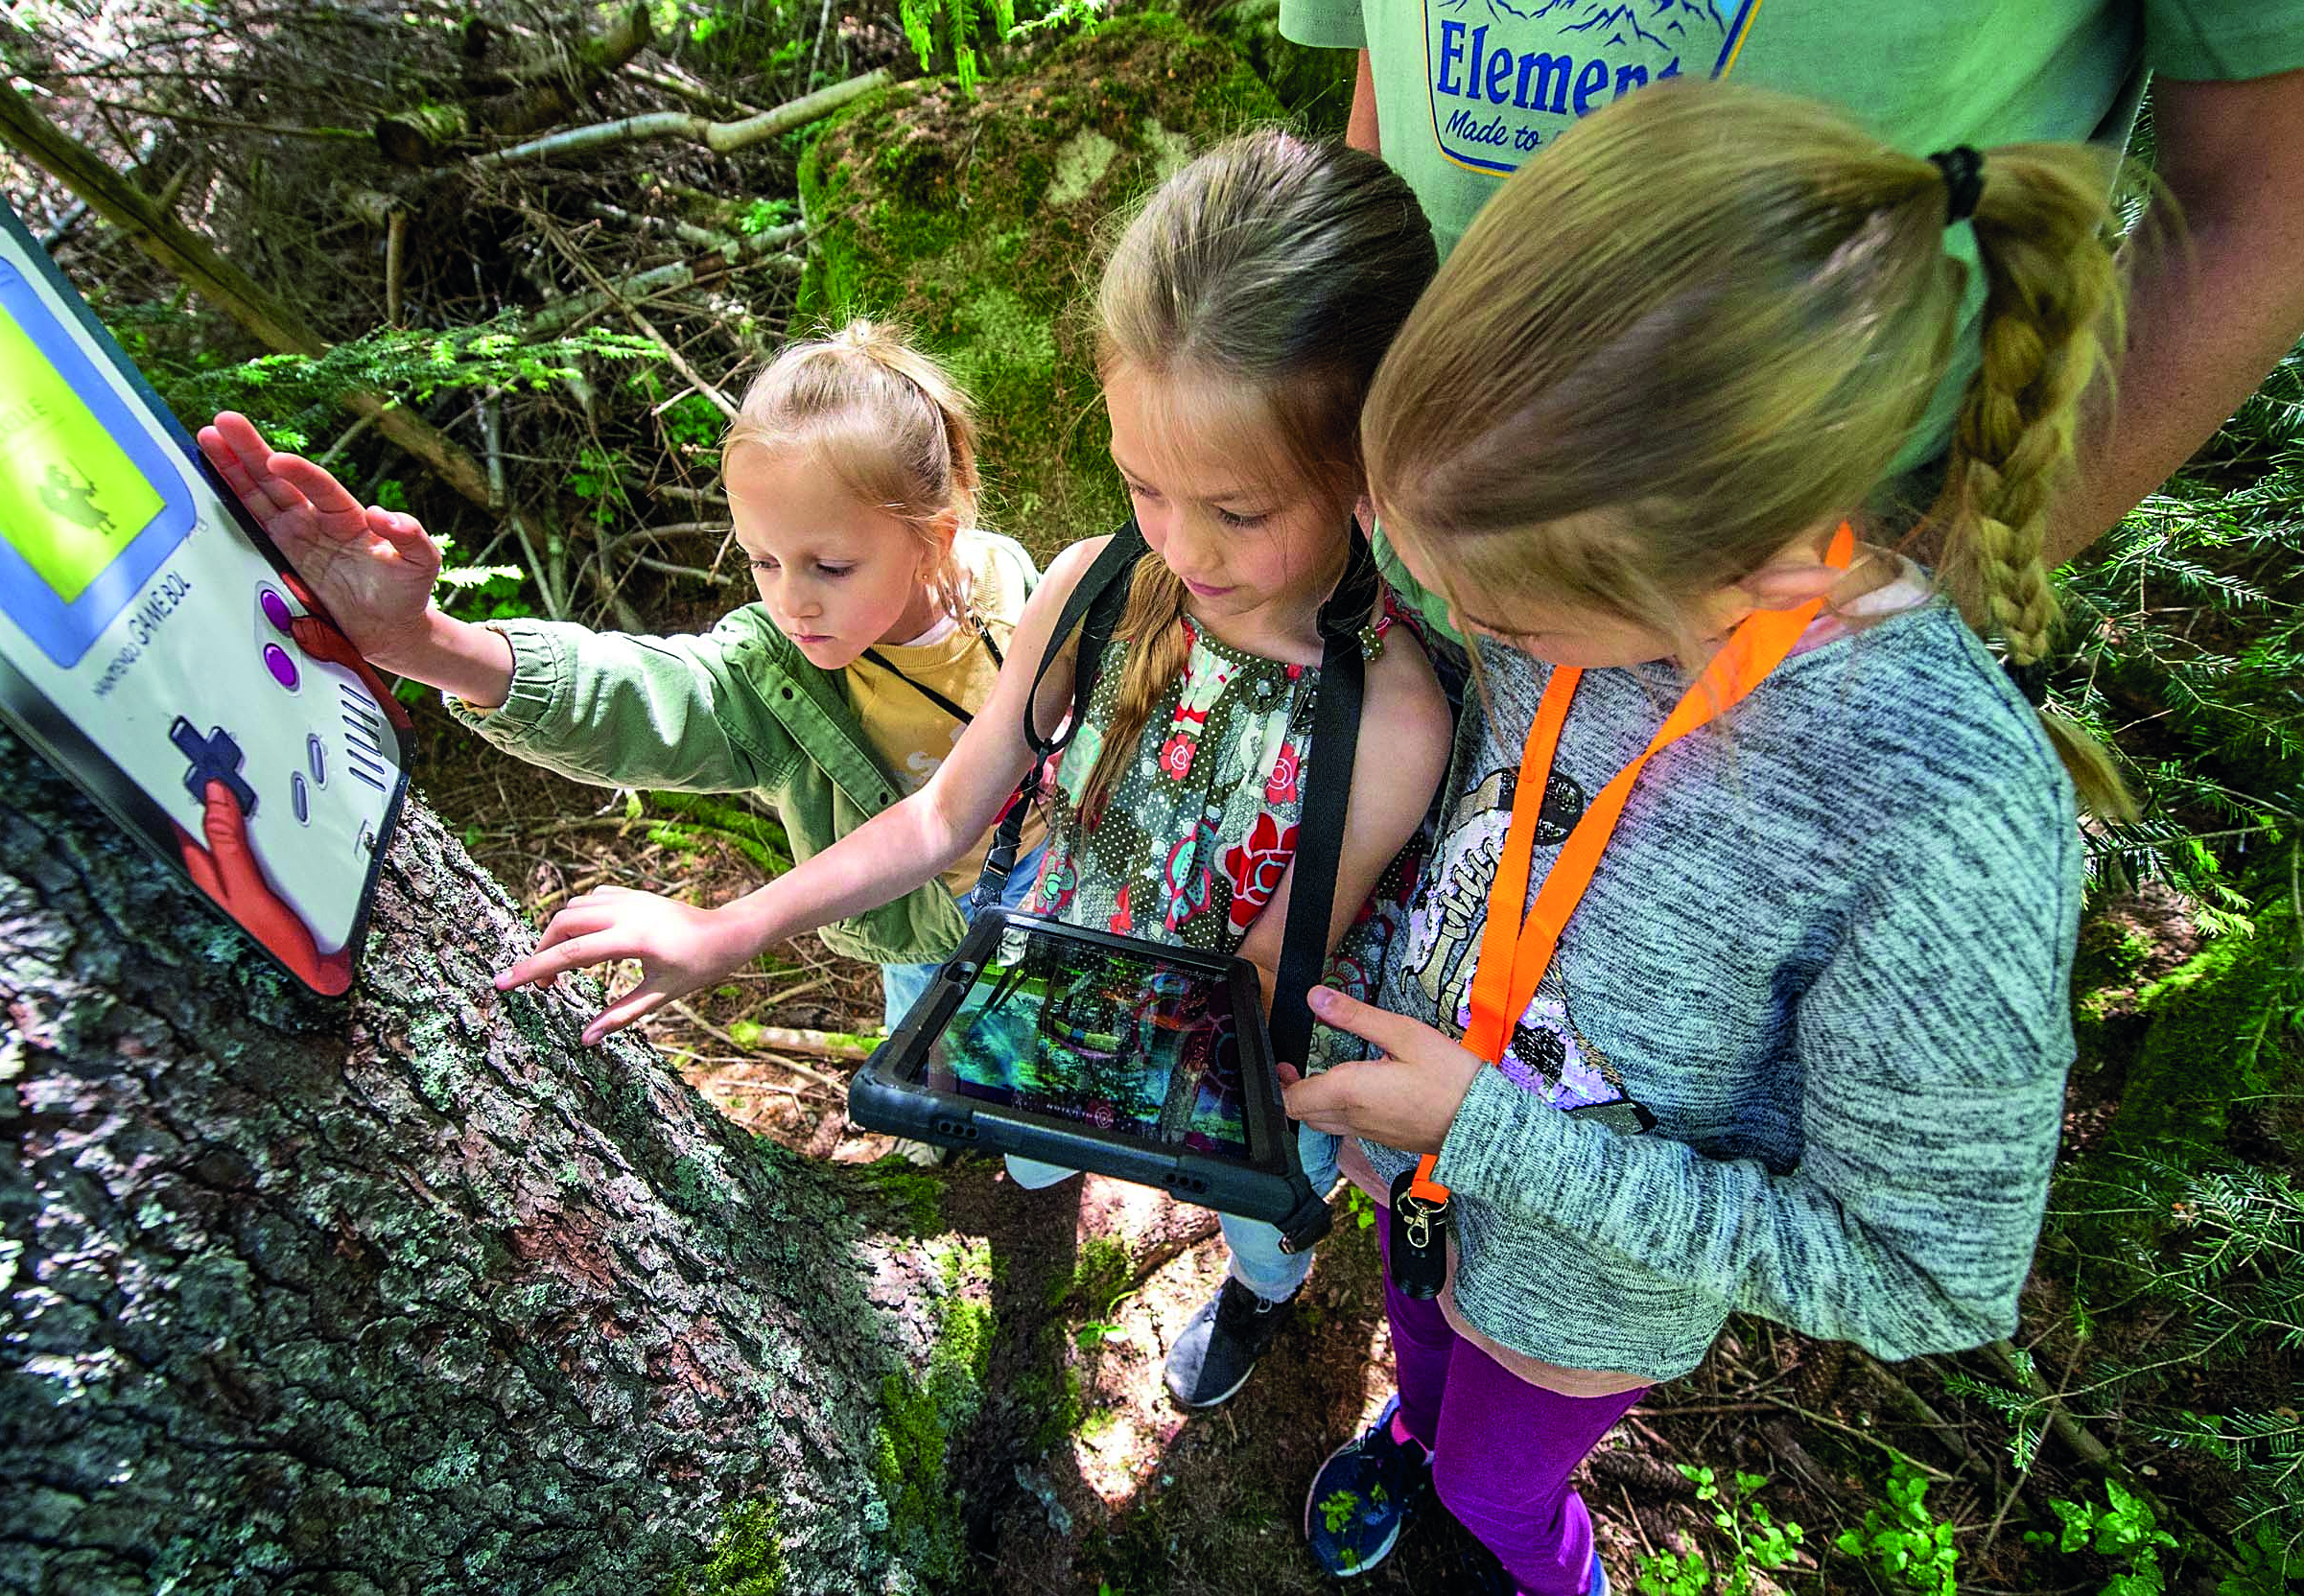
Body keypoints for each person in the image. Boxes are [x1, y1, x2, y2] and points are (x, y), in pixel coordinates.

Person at [1277, 82, 2126, 1594]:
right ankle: (1413, 1431)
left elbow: (1922, 1275)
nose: (1469, 634)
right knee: (1425, 1374)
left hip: (1583, 1305)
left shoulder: (1945, 818)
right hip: (1421, 1182)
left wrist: (1486, 1135)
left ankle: (1535, 1554)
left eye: (1513, 620)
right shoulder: (1574, 550)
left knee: (1499, 1490)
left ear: (1768, 558)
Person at [495, 129, 1457, 1410]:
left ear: (1370, 464)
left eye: (1240, 508)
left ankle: (1260, 1290)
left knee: (1267, 1219)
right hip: (1048, 997)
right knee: (1039, 1156)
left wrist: (1122, 1091)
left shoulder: (1387, 718)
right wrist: (734, 923)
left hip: (1227, 1065)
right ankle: (1091, 1193)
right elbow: (949, 811)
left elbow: (1269, 977)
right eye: (1141, 484)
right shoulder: (1092, 588)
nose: (1181, 545)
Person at [198, 320, 1051, 1107]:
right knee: (953, 1079)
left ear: (933, 541)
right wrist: (420, 642)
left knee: (1055, 1088)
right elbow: (639, 696)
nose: (791, 600)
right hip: (929, 924)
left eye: (829, 566)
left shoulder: (1017, 591)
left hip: (1066, 887)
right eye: (762, 559)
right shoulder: (775, 677)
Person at [1278, 0, 2304, 627]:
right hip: (1402, 600)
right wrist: (1329, 516)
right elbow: (1379, 107)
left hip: (1783, 637)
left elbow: (2269, 194)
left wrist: (1919, 580)